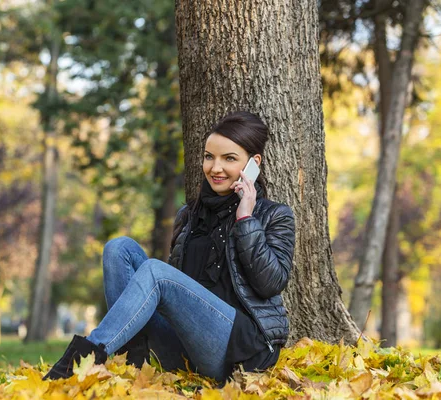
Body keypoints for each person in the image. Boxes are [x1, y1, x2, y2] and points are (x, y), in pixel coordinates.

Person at [43, 111, 296, 383]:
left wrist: (246, 219)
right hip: (184, 347)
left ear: (253, 164)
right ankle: (134, 360)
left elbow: (271, 283)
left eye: (229, 158)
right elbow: (175, 294)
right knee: (118, 248)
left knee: (155, 271)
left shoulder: (274, 216)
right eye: (209, 156)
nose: (215, 167)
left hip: (238, 352)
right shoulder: (189, 215)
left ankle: (81, 362)